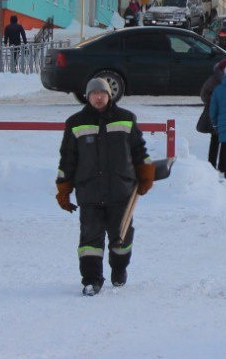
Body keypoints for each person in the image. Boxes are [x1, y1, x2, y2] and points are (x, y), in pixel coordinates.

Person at [55, 77, 155, 296]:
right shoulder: (76, 122)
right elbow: (68, 158)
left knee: (121, 238)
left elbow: (139, 150)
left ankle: (119, 269)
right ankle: (92, 280)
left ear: (109, 95)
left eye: (102, 93)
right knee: (90, 239)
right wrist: (64, 187)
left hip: (121, 190)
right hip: (89, 190)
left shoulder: (126, 119)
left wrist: (146, 172)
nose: (98, 97)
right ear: (87, 96)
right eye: (94, 93)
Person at [198, 57, 226, 168]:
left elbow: (203, 93)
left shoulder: (214, 79)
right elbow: (204, 94)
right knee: (220, 140)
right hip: (221, 114)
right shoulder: (223, 80)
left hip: (217, 114)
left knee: (216, 139)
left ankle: (212, 165)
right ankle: (219, 165)